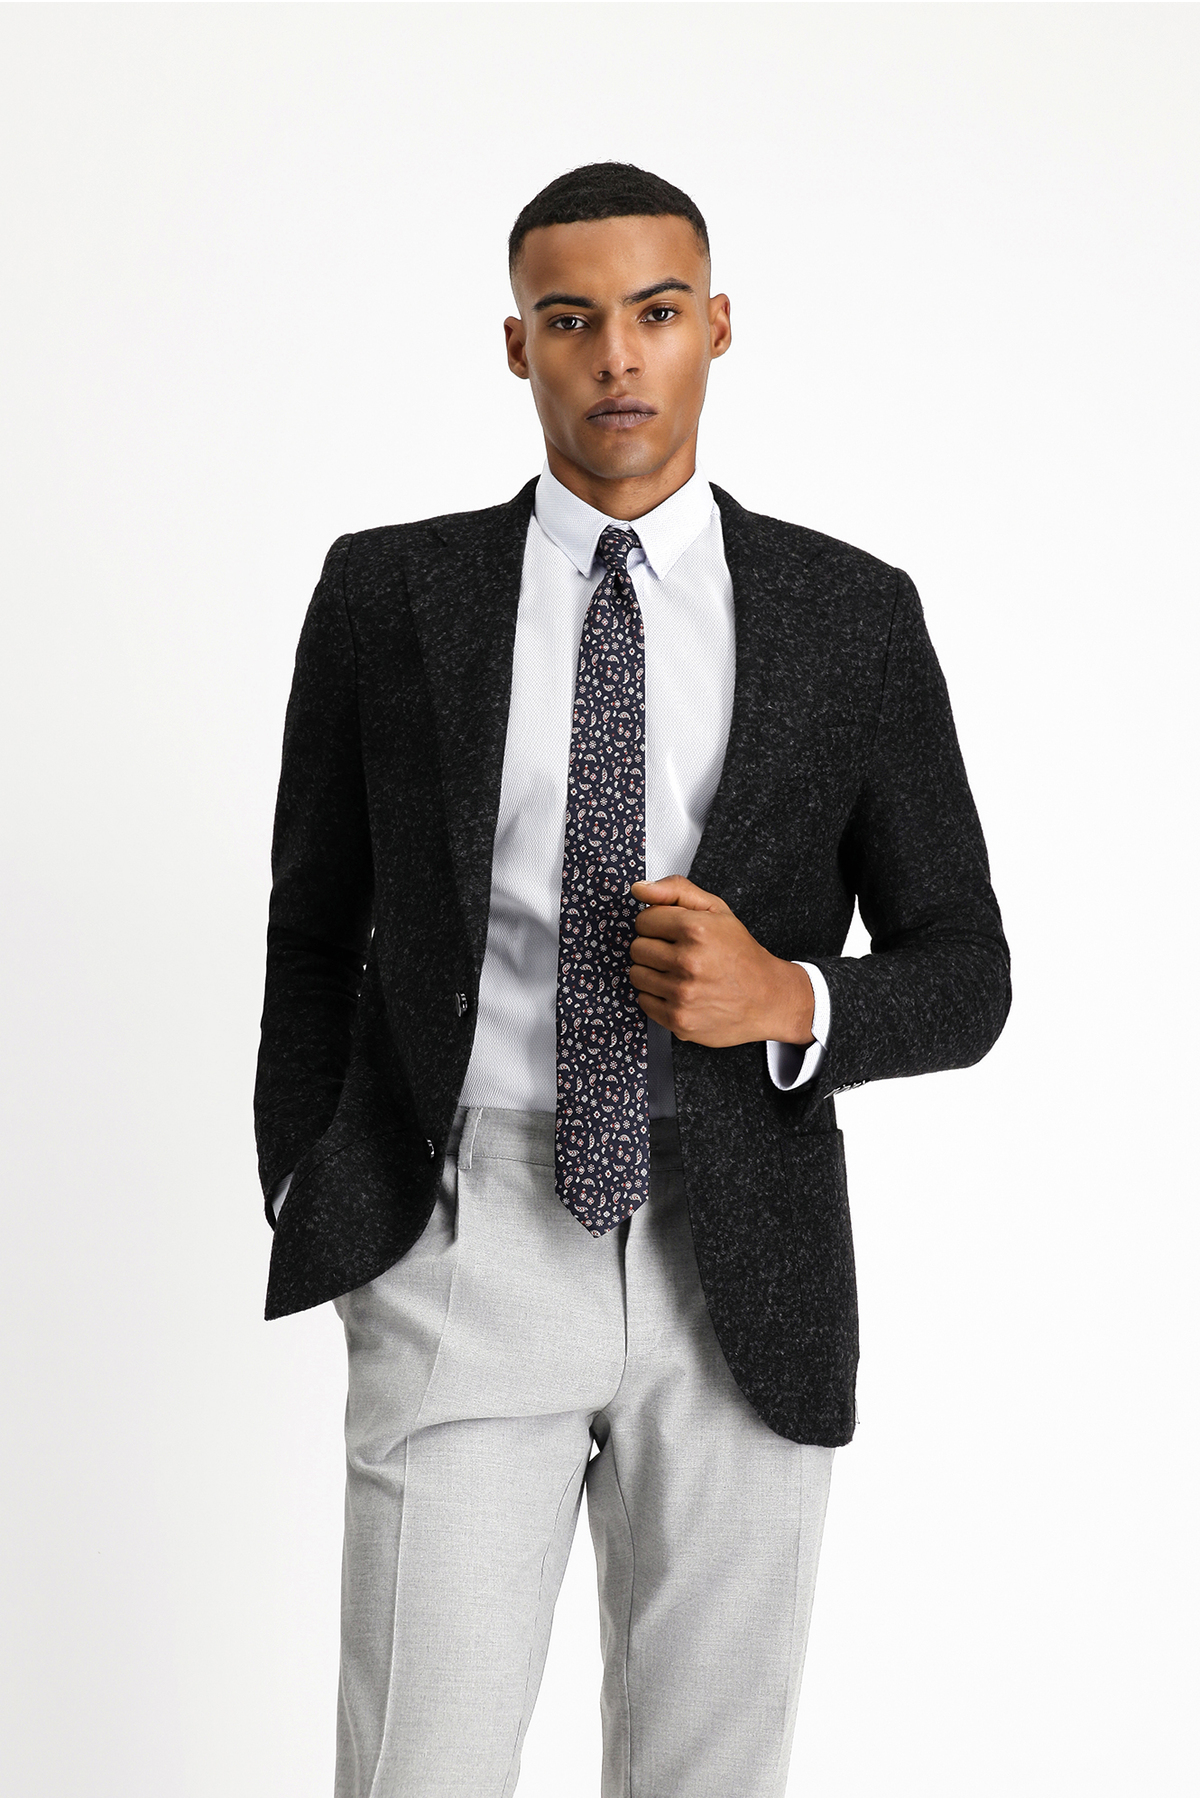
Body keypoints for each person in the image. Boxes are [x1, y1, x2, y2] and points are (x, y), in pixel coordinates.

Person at [254, 161, 1011, 1800]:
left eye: (655, 314)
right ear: (516, 344)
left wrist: (792, 999)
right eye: (571, 319)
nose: (616, 356)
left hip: (739, 1261)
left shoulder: (850, 614)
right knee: (417, 1771)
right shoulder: (390, 594)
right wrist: (316, 1183)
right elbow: (313, 927)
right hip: (467, 1236)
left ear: (716, 327)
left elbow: (968, 968)